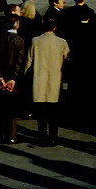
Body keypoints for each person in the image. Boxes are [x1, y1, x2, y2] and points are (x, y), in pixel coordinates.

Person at [26, 17, 70, 146]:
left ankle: (42, 136)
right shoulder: (62, 42)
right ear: (55, 28)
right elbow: (68, 60)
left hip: (39, 80)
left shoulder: (35, 41)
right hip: (55, 80)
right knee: (54, 112)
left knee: (41, 113)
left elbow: (29, 61)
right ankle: (53, 137)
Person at [0, 14, 27, 144]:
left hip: (2, 77)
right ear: (17, 25)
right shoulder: (20, 41)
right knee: (12, 108)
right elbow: (19, 62)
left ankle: (2, 133)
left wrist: (0, 77)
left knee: (2, 106)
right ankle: (12, 135)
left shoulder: (0, 39)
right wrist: (14, 78)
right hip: (13, 78)